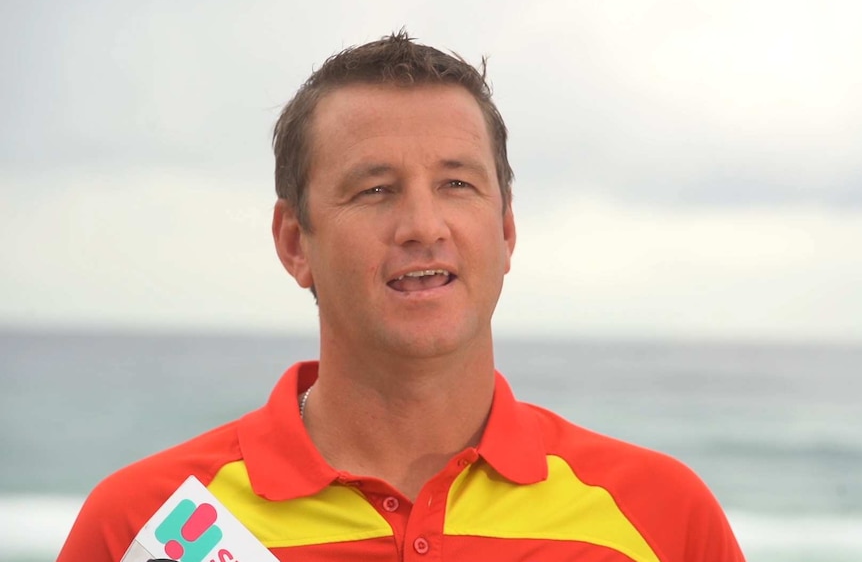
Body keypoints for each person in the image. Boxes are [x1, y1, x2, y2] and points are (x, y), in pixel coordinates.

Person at [58, 30, 745, 562]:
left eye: (456, 184)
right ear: (296, 242)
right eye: (376, 189)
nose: (423, 226)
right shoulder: (143, 523)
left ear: (505, 231)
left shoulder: (663, 516)